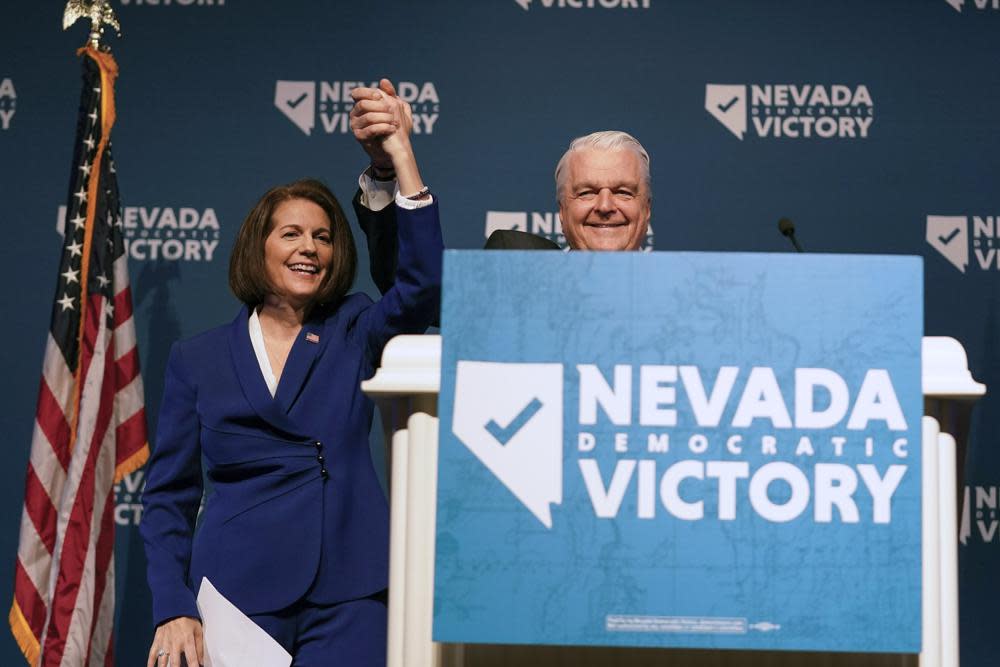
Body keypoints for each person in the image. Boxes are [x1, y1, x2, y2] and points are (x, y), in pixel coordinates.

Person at [140, 79, 442, 667]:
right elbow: (168, 500)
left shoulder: (353, 326)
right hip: (237, 595)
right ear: (260, 246)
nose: (310, 248)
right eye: (293, 234)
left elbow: (422, 289)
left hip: (351, 592)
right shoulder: (197, 360)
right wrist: (173, 606)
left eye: (324, 237)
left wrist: (400, 157)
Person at [354, 129, 650, 253]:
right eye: (586, 192)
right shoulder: (516, 266)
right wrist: (390, 166)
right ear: (561, 211)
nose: (606, 205)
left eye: (624, 192)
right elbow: (420, 292)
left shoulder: (688, 294)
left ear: (646, 209)